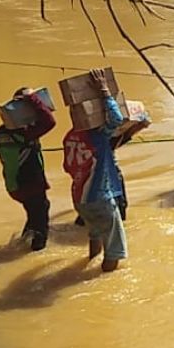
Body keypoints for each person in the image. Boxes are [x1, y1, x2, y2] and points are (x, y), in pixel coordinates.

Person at [62, 69, 127, 271]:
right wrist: (105, 91)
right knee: (114, 249)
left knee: (95, 233)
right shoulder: (96, 136)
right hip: (100, 197)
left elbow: (67, 167)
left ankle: (89, 262)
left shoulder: (70, 136)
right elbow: (117, 119)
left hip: (80, 198)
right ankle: (105, 279)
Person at [0, 87, 56, 251]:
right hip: (31, 185)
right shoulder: (26, 132)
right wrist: (33, 98)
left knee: (33, 212)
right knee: (41, 215)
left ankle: (24, 240)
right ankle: (36, 250)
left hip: (14, 186)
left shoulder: (2, 131)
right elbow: (50, 121)